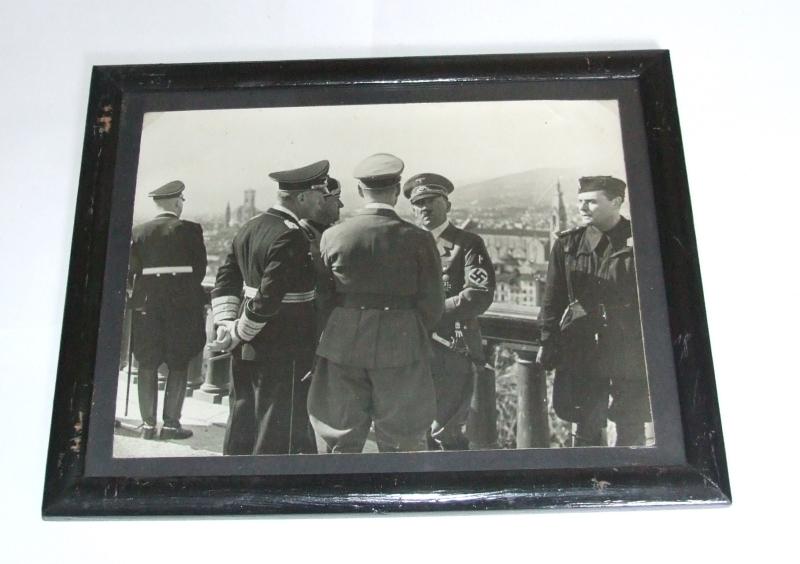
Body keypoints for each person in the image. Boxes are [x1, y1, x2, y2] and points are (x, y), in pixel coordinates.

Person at [307, 153, 444, 453]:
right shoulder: (418, 238)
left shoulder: (333, 235)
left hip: (343, 341)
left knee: (340, 436)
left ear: (359, 191)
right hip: (402, 340)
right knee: (403, 438)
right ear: (396, 192)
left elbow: (323, 298)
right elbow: (434, 302)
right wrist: (411, 328)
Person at [210, 160, 329, 455]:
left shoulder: (250, 226)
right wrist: (239, 332)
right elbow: (269, 296)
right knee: (275, 423)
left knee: (242, 415)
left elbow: (225, 279)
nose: (322, 200)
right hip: (283, 343)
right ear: (301, 197)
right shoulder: (291, 234)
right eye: (318, 193)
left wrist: (226, 325)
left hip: (247, 343)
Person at [537, 176, 651, 447]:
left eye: (591, 202)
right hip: (583, 347)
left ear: (616, 202)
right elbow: (552, 299)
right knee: (585, 422)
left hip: (629, 346)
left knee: (631, 424)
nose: (583, 208)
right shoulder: (568, 245)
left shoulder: (642, 240)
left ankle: (628, 482)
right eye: (580, 202)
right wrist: (547, 340)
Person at [404, 173, 495, 450]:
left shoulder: (467, 244)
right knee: (413, 429)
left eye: (431, 200)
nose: (424, 208)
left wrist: (429, 312)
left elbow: (478, 295)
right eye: (418, 202)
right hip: (411, 347)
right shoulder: (406, 242)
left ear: (447, 204)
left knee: (447, 431)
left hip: (451, 348)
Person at [128, 180, 207, 440]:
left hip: (147, 306)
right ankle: (171, 424)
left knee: (146, 362)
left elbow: (133, 271)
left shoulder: (139, 232)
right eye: (182, 201)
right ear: (176, 202)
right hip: (182, 307)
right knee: (179, 362)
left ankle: (147, 426)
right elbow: (200, 270)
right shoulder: (191, 230)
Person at [300, 177, 344, 335]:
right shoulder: (300, 236)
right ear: (320, 201)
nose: (341, 205)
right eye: (336, 199)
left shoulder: (331, 233)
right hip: (311, 324)